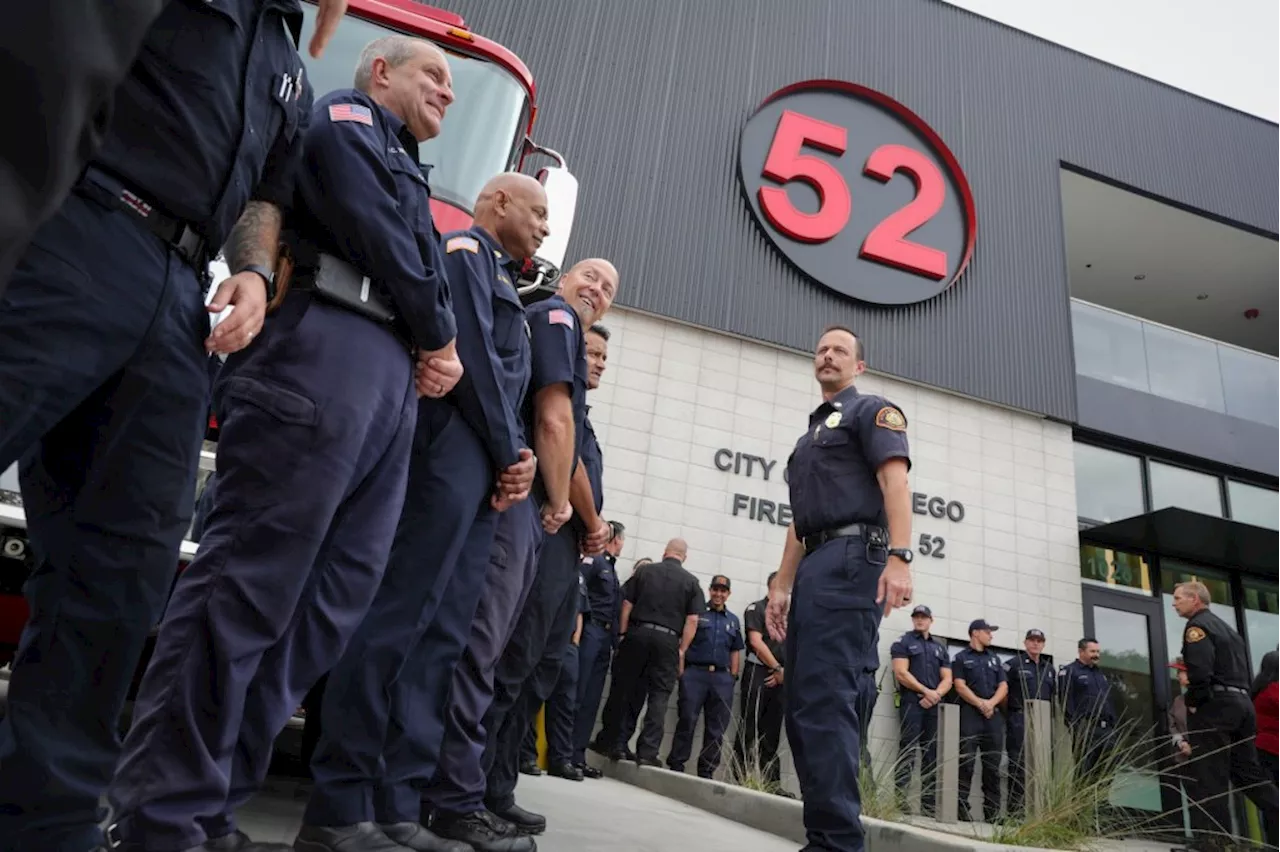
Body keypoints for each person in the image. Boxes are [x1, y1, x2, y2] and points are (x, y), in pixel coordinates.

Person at [105, 35, 468, 852]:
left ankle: (211, 808)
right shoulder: (344, 121)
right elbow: (390, 247)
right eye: (433, 76)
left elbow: (424, 267)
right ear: (381, 73)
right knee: (244, 595)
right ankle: (159, 818)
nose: (447, 92)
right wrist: (440, 333)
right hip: (322, 351)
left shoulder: (406, 163)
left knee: (322, 613)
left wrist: (429, 336)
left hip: (384, 376)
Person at [0, 2, 332, 848]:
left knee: (117, 580)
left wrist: (255, 273)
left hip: (182, 294)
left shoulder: (287, 61)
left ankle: (49, 825)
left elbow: (266, 191)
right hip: (77, 227)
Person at [299, 169, 548, 852]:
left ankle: (397, 803)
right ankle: (339, 806)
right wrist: (510, 452)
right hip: (448, 450)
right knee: (395, 622)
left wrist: (514, 457)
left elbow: (507, 385)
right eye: (537, 211)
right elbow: (471, 361)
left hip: (482, 466)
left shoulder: (506, 278)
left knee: (441, 638)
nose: (546, 226)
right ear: (497, 203)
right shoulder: (467, 254)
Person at [424, 259, 619, 850]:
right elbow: (558, 437)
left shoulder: (576, 386)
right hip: (539, 516)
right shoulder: (551, 320)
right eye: (590, 277)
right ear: (563, 282)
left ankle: (489, 787)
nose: (597, 290)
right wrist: (582, 515)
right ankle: (466, 791)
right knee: (499, 659)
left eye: (608, 289)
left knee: (531, 667)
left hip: (554, 533)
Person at [0, 1, 351, 294]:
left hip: (188, 287)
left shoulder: (294, 75)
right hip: (91, 232)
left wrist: (254, 272)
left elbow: (265, 194)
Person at [765, 324, 913, 852]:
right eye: (822, 349)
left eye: (840, 350)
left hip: (854, 559)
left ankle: (839, 843)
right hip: (816, 562)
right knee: (803, 704)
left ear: (859, 366)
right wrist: (782, 584)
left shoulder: (871, 410)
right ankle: (824, 836)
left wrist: (899, 557)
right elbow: (799, 520)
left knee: (827, 698)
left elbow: (894, 480)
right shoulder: (811, 435)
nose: (828, 355)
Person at [1175, 580, 1280, 850]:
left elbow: (1199, 671)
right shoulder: (1228, 630)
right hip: (1242, 705)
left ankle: (1214, 842)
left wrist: (1194, 701)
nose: (1174, 603)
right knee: (1248, 773)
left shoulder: (1197, 627)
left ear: (1195, 599)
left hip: (1216, 706)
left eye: (1178, 598)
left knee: (1209, 773)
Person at [596, 539, 705, 766]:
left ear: (665, 552)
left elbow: (626, 604)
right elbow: (692, 620)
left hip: (637, 633)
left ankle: (616, 744)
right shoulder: (691, 582)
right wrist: (682, 650)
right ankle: (647, 751)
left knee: (625, 689)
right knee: (659, 695)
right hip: (668, 640)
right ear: (684, 557)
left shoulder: (645, 572)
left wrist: (624, 634)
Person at [666, 574, 744, 778]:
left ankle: (707, 771)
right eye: (715, 589)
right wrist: (682, 671)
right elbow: (685, 640)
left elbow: (736, 650)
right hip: (695, 675)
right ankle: (677, 764)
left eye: (723, 590)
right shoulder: (697, 614)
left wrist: (732, 676)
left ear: (728, 594)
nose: (718, 594)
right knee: (687, 720)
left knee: (716, 728)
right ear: (710, 590)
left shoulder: (733, 621)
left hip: (720, 678)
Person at [522, 572, 591, 780]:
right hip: (542, 638)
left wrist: (575, 641)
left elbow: (580, 611)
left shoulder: (579, 575)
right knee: (532, 697)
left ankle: (561, 760)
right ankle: (525, 756)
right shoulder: (551, 558)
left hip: (567, 645)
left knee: (565, 704)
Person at [571, 520, 627, 778]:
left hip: (605, 637)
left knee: (591, 700)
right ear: (615, 539)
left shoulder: (612, 568)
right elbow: (579, 591)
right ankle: (563, 752)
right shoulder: (594, 561)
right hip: (591, 630)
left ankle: (577, 756)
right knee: (577, 693)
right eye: (622, 539)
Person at [890, 604, 952, 817]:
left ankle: (928, 804)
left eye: (923, 617)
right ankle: (900, 800)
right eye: (916, 617)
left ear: (930, 620)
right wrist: (927, 691)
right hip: (911, 702)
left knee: (931, 753)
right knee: (908, 750)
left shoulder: (939, 648)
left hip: (933, 705)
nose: (920, 620)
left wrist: (935, 695)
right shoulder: (903, 642)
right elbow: (901, 673)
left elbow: (947, 679)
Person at [734, 572, 788, 787]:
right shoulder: (756, 609)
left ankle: (771, 785)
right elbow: (756, 642)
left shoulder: (790, 616)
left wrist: (784, 672)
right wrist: (775, 667)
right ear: (771, 587)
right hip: (758, 672)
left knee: (772, 733)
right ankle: (740, 780)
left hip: (782, 678)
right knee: (749, 728)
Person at [952, 620, 1007, 823]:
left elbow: (1003, 686)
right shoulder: (960, 658)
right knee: (966, 763)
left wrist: (991, 704)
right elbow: (959, 685)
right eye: (987, 632)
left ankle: (993, 814)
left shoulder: (995, 659)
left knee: (993, 766)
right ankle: (961, 810)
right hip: (970, 715)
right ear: (975, 633)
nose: (991, 635)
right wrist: (980, 704)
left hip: (992, 716)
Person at [1004, 628, 1055, 816]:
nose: (1035, 644)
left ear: (1043, 644)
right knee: (1018, 765)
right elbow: (1003, 694)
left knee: (1042, 765)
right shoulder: (1013, 665)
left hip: (1043, 721)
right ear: (1025, 643)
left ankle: (1040, 812)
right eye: (1032, 640)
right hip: (1019, 718)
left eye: (1039, 641)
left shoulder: (1049, 669)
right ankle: (1015, 812)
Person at [1059, 637, 1117, 777]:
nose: (1096, 655)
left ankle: (1102, 799)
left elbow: (1107, 700)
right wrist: (1076, 727)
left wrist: (1113, 724)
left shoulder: (1100, 674)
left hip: (1106, 730)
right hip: (1085, 729)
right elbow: (1065, 701)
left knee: (1107, 770)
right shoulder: (1070, 671)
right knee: (1084, 771)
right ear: (1081, 651)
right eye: (1092, 651)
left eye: (1098, 651)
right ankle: (1081, 800)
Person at [1251, 651, 1280, 843]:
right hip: (1275, 751)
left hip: (1260, 751)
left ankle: (1273, 842)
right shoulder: (1274, 691)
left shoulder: (1257, 690)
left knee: (1271, 802)